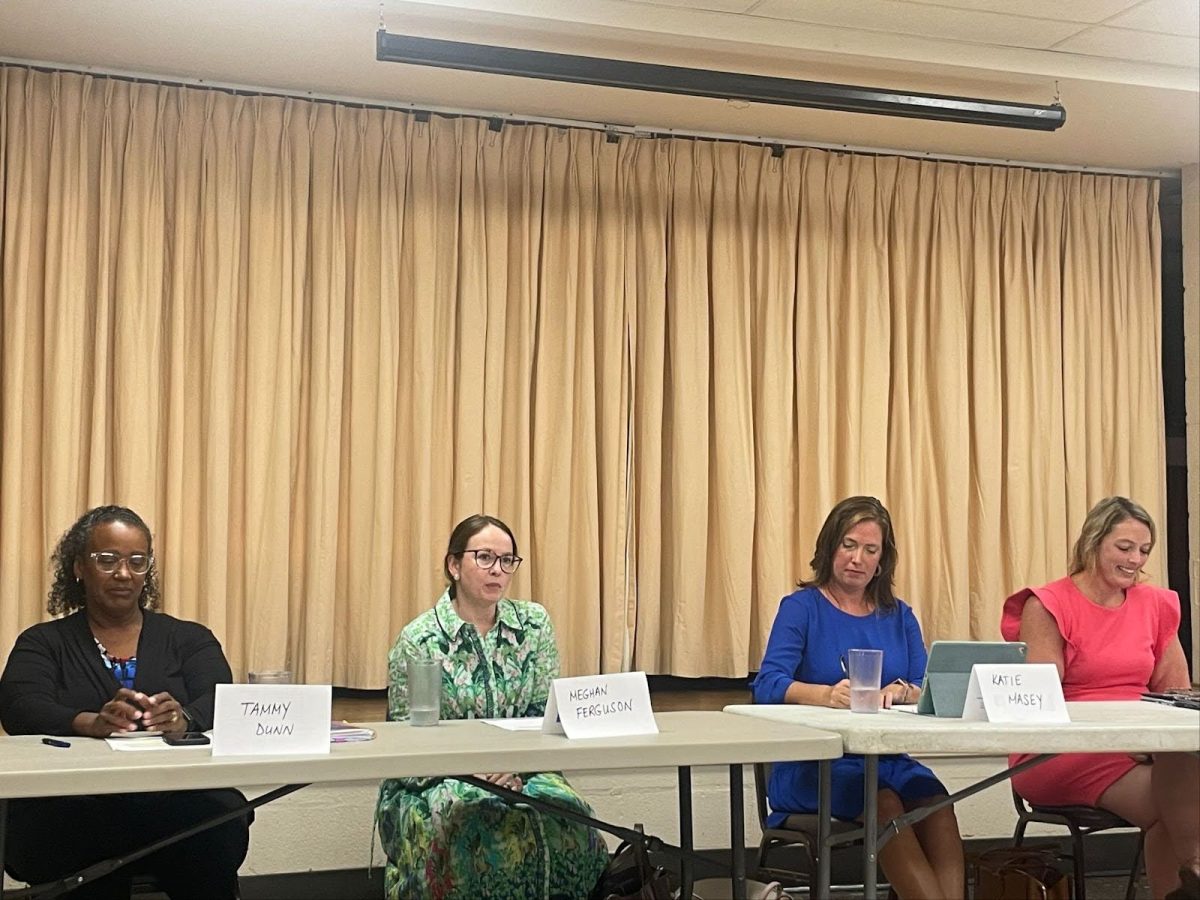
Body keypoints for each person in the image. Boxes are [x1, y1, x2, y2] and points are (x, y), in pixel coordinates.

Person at [0, 505, 251, 900]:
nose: (123, 573)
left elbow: (222, 698)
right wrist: (89, 723)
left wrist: (184, 718)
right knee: (69, 834)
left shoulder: (189, 639)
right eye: (107, 560)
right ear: (79, 566)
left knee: (218, 815)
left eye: (137, 561)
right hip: (73, 802)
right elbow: (19, 707)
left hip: (173, 801)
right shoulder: (42, 643)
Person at [374, 514, 610, 900]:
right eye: (484, 557)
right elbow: (407, 738)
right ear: (454, 565)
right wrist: (475, 768)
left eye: (507, 560)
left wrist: (514, 766)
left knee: (572, 820)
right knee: (478, 830)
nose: (497, 570)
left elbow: (543, 714)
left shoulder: (533, 625)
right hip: (439, 776)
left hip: (524, 767)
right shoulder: (421, 638)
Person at [753, 496, 964, 900]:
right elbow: (768, 684)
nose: (858, 559)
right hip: (815, 764)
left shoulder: (898, 614)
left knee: (935, 801)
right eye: (849, 545)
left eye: (871, 549)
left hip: (887, 758)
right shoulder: (801, 608)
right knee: (884, 803)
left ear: (883, 560)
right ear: (830, 547)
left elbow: (925, 683)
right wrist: (825, 694)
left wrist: (903, 691)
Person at [1002, 496, 1200, 900]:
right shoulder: (1048, 604)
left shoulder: (1155, 604)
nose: (1135, 560)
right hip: (1062, 746)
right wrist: (1133, 738)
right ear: (1093, 543)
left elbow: (1175, 692)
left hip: (1142, 742)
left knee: (1179, 760)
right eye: (1124, 548)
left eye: (1144, 551)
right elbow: (1037, 696)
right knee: (1178, 795)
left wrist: (1143, 739)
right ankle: (1194, 870)